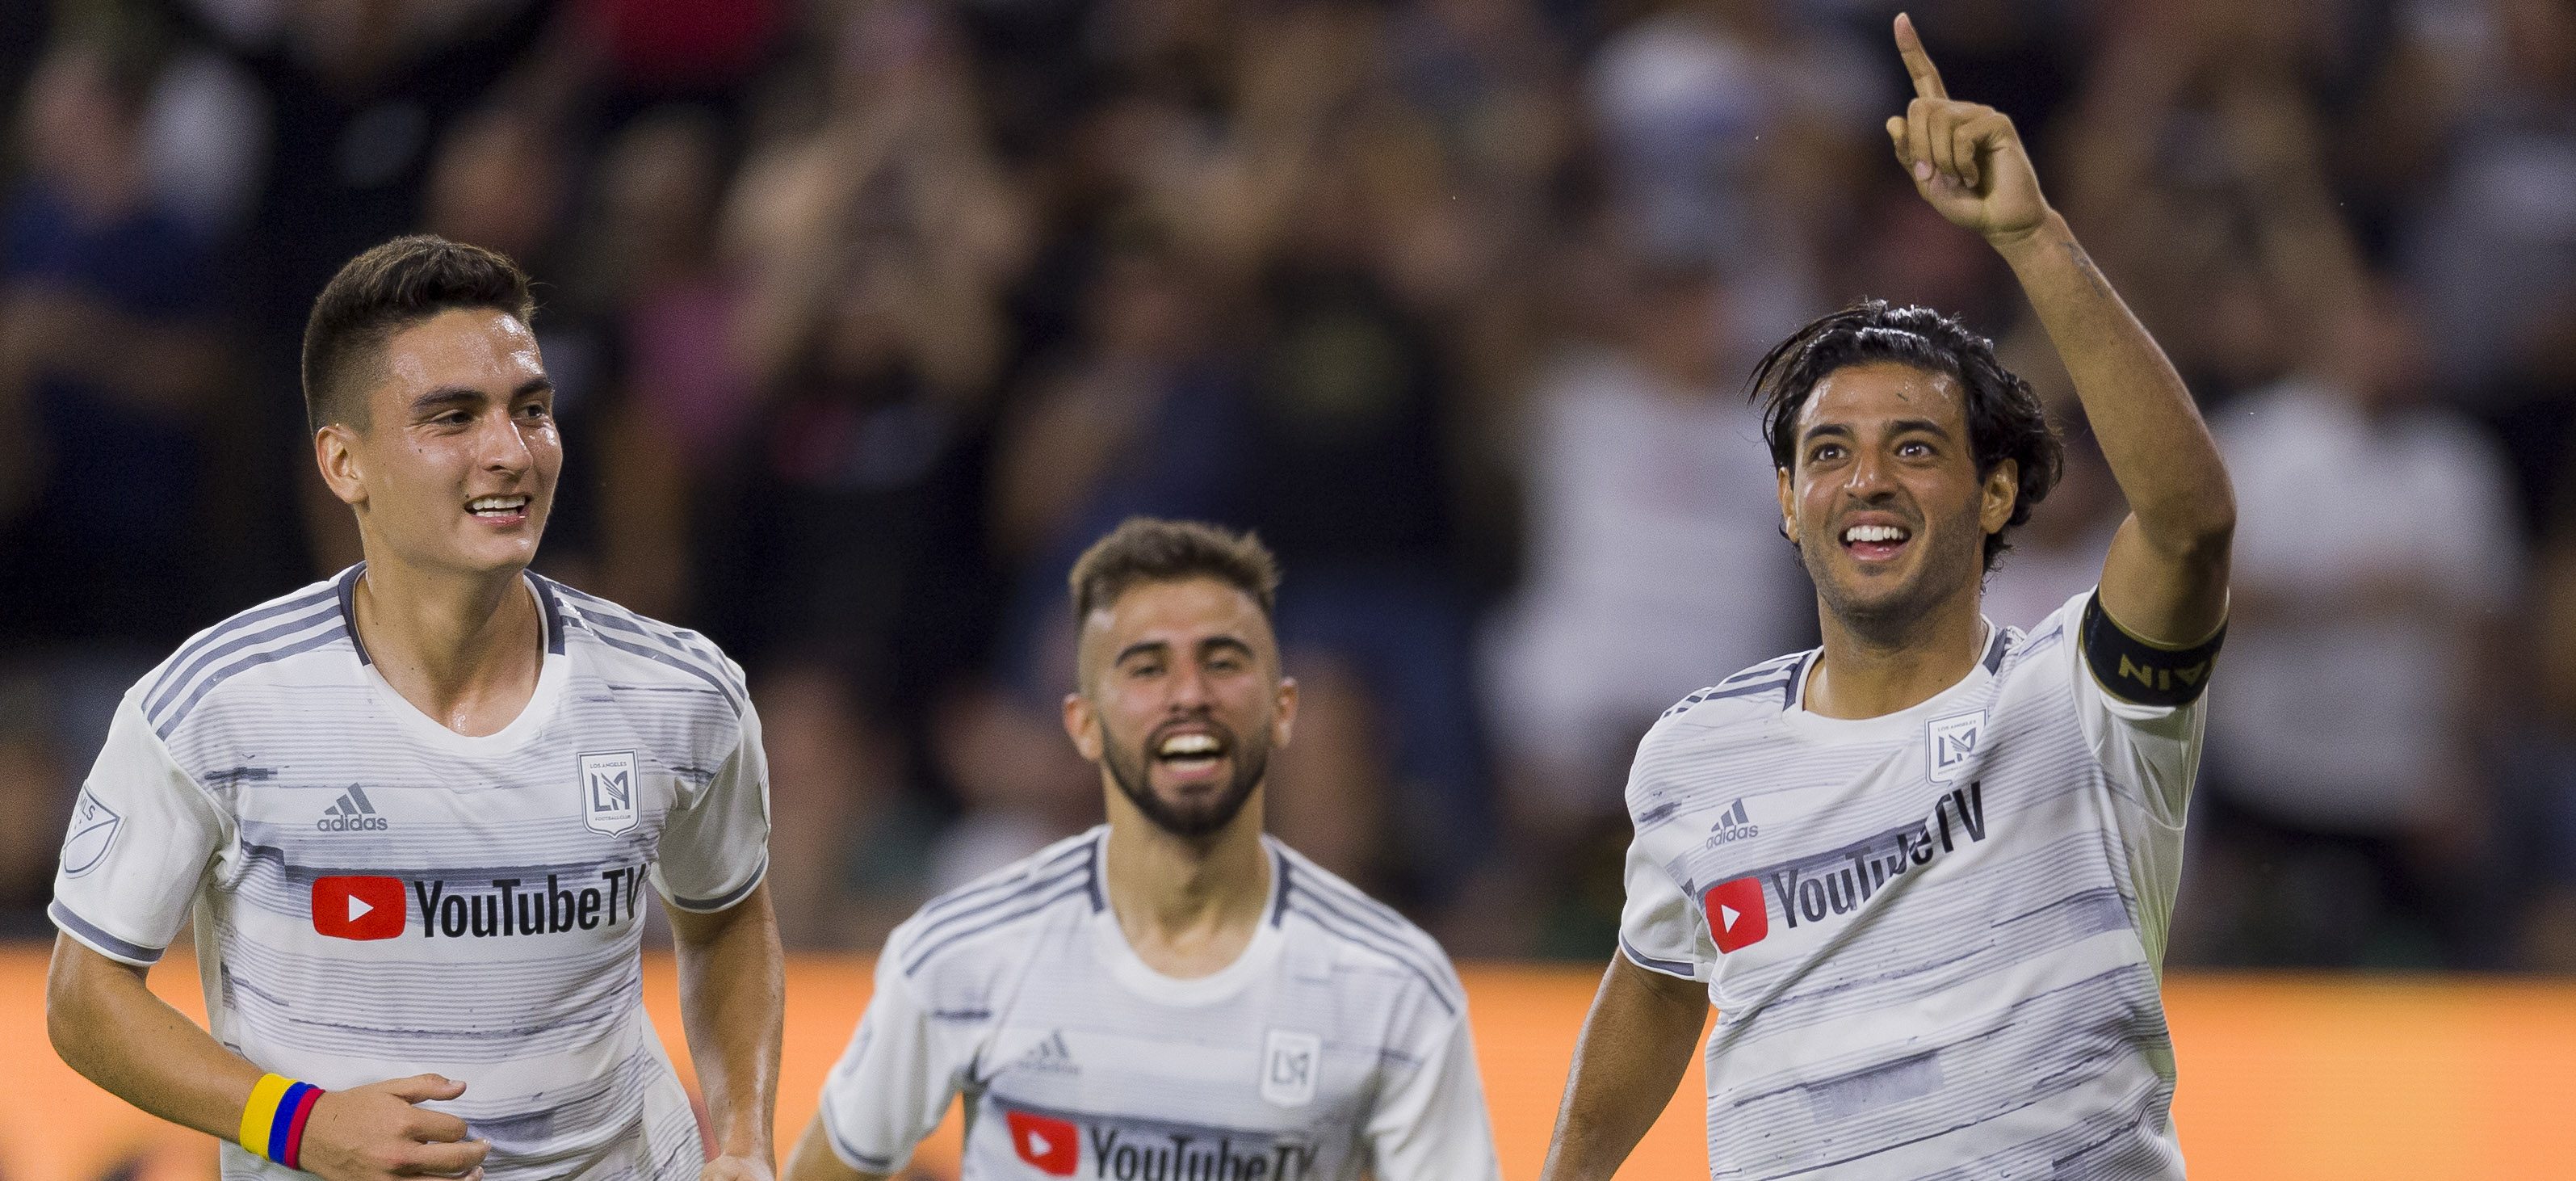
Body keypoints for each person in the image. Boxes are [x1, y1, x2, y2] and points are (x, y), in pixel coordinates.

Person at [1542, 16, 2234, 1180]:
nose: (1864, 477)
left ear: (1995, 487)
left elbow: (2188, 522)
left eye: (1915, 447)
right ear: (1783, 499)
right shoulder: (1694, 755)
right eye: (1828, 453)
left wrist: (2033, 237)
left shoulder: (2082, 696)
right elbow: (1658, 984)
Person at [44, 236, 783, 1181]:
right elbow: (84, 996)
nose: (509, 452)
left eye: (532, 410)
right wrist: (295, 1122)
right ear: (344, 463)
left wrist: (749, 1143)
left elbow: (724, 916)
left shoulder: (679, 692)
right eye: (453, 416)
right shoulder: (213, 706)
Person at [783, 517, 1500, 1181]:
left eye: (1222, 662)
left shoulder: (1399, 992)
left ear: (1283, 710)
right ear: (1085, 724)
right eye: (1147, 668)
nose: (1188, 694)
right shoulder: (959, 959)